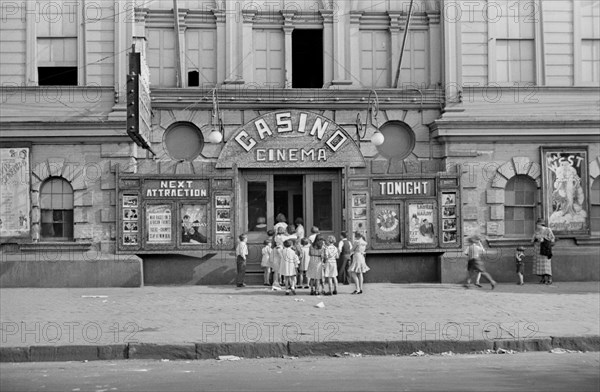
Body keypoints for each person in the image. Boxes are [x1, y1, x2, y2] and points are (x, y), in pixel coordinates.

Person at [531, 218, 556, 285]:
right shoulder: (536, 231)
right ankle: (543, 279)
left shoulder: (548, 230)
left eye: (537, 224)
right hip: (537, 250)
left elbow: (552, 239)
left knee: (546, 265)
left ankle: (549, 279)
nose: (537, 226)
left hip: (545, 249)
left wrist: (544, 239)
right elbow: (532, 240)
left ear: (540, 224)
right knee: (539, 266)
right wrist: (535, 239)